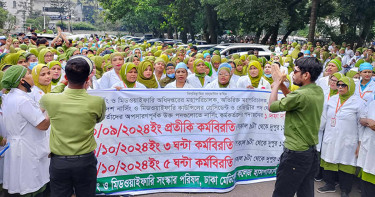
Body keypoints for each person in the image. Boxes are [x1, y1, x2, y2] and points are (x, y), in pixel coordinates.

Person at [40, 55, 106, 197]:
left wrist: (62, 84)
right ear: (87, 79)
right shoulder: (97, 102)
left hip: (59, 162)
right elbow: (99, 119)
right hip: (85, 161)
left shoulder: (50, 99)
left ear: (66, 77)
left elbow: (51, 94)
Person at [268, 57, 324, 197]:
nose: (292, 74)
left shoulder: (300, 95)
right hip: (310, 153)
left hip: (295, 154)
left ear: (306, 75)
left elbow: (272, 107)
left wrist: (275, 84)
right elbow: (293, 100)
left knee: (282, 192)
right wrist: (282, 86)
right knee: (305, 192)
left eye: (296, 71)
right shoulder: (317, 90)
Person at [1, 65, 50, 196]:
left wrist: (43, 108)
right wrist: (53, 111)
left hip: (19, 146)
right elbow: (43, 125)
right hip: (28, 148)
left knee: (20, 183)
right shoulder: (22, 100)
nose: (31, 76)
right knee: (31, 185)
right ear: (22, 81)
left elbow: (28, 116)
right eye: (28, 74)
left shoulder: (10, 97)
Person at [318, 77, 365, 197]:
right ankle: (329, 185)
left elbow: (361, 125)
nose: (340, 87)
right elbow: (324, 118)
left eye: (344, 85)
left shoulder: (358, 103)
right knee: (329, 161)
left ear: (350, 87)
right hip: (331, 136)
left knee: (346, 164)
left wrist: (360, 143)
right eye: (338, 84)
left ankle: (345, 190)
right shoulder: (332, 100)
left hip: (348, 140)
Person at [357, 100, 375, 197]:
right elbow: (361, 120)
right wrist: (368, 121)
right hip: (369, 146)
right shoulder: (372, 103)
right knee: (366, 184)